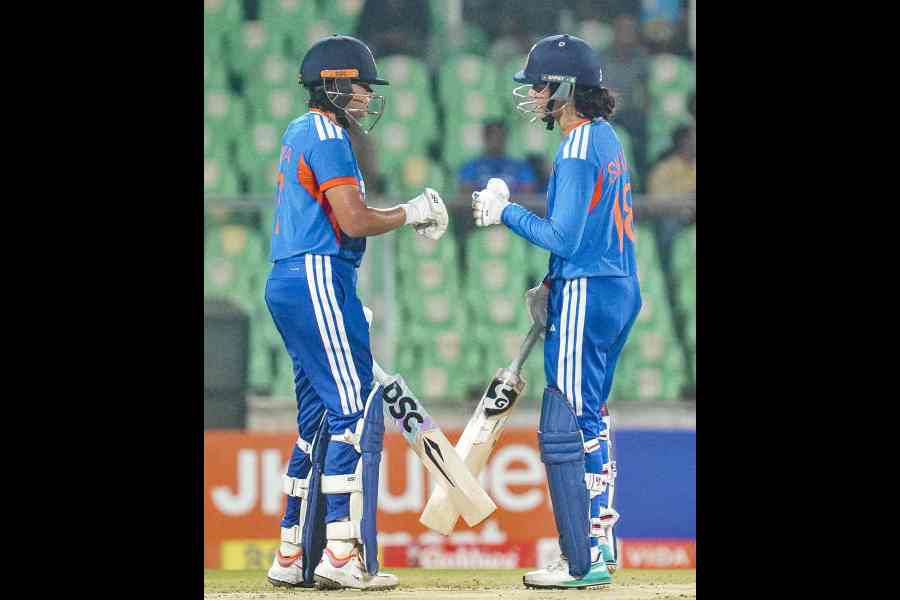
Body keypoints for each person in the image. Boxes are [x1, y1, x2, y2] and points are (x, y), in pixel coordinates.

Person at [263, 34, 449, 591]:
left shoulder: (301, 132)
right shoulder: (326, 134)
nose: (368, 98)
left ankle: (292, 551)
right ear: (336, 84)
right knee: (351, 410)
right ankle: (340, 552)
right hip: (318, 274)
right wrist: (413, 210)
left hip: (297, 279)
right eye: (362, 87)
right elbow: (353, 221)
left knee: (315, 420)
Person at [472, 33, 641, 590]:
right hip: (618, 286)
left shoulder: (573, 146)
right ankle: (600, 544)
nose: (535, 95)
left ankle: (580, 559)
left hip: (588, 291)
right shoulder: (608, 138)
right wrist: (551, 282)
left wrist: (504, 211)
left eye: (542, 85)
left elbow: (565, 237)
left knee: (563, 422)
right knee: (591, 418)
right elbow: (587, 232)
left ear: (567, 88)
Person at [457, 119, 540, 197]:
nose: (496, 140)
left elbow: (529, 195)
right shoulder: (471, 167)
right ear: (485, 137)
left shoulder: (520, 167)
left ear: (506, 137)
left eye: (500, 135)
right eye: (492, 135)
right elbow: (465, 196)